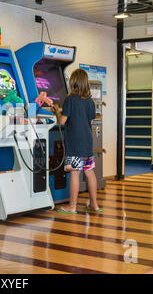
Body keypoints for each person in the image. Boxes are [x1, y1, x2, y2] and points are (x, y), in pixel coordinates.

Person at [53, 68, 102, 214]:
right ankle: (94, 205)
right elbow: (91, 121)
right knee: (89, 172)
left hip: (74, 143)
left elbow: (62, 121)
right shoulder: (90, 102)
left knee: (74, 173)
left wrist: (57, 110)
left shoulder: (70, 100)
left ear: (73, 83)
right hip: (87, 143)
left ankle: (72, 206)